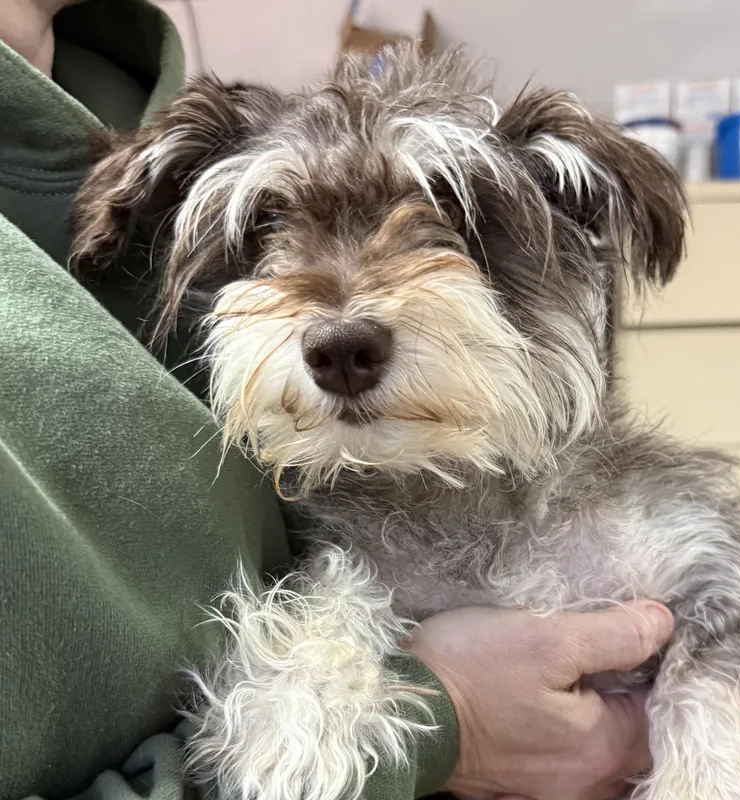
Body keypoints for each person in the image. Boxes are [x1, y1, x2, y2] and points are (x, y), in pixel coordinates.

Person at [0, 2, 676, 799]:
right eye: (266, 227)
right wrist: (449, 718)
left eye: (448, 218)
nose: (343, 316)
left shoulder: (137, 93)